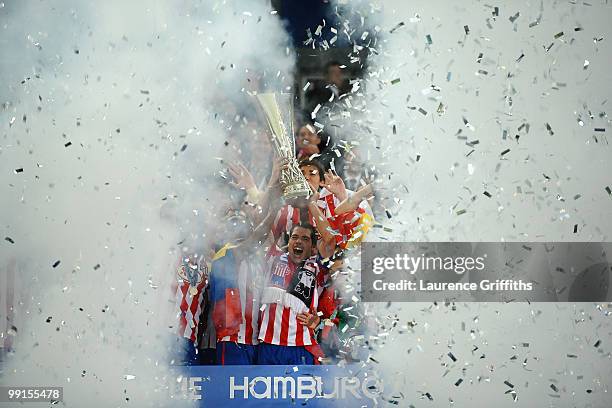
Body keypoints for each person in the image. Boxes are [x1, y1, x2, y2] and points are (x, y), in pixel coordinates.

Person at [257, 223, 329, 365]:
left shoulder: (318, 270)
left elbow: (330, 240)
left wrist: (318, 321)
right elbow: (262, 234)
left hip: (301, 347)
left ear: (313, 248)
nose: (298, 241)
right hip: (269, 345)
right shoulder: (273, 259)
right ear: (288, 242)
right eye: (294, 237)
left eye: (305, 239)